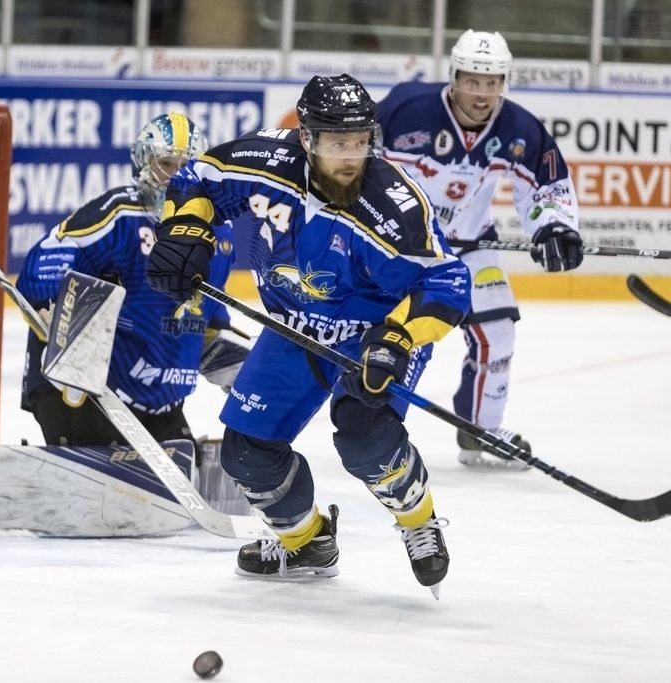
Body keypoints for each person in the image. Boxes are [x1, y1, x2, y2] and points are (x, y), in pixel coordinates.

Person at [146, 74, 471, 595]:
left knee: (366, 437)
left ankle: (419, 522)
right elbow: (195, 181)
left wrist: (399, 339)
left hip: (374, 334)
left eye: (361, 142)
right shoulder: (259, 164)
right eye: (338, 143)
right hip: (293, 328)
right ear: (307, 138)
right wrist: (186, 227)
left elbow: (449, 282)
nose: (351, 155)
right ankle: (308, 542)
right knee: (246, 454)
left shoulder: (394, 206)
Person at [0, 113, 251, 537]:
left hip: (158, 403)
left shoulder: (221, 236)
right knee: (101, 487)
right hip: (85, 393)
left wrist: (246, 375)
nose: (178, 178)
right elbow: (44, 261)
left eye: (188, 166)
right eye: (167, 164)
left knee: (172, 491)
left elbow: (205, 326)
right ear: (144, 164)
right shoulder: (120, 217)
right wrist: (55, 301)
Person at [377, 29, 583, 469]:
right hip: (398, 249)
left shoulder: (520, 128)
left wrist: (554, 227)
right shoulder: (405, 108)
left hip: (469, 247)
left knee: (498, 332)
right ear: (454, 76)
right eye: (474, 80)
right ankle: (371, 429)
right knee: (390, 338)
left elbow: (547, 185)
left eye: (493, 82)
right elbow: (358, 164)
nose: (483, 92)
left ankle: (480, 431)